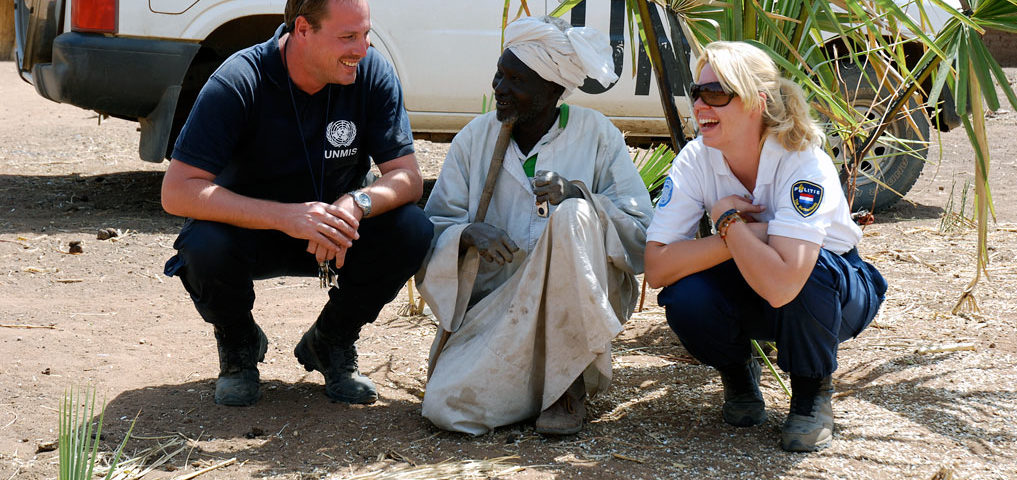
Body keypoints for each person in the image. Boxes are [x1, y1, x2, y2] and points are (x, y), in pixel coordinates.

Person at [160, 0, 432, 407]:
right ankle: (239, 345)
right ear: (302, 29)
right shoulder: (240, 79)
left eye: (365, 34)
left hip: (333, 235)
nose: (362, 48)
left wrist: (356, 203)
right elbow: (177, 190)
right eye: (348, 37)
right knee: (202, 246)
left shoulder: (370, 72)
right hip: (251, 233)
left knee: (413, 229)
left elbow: (408, 178)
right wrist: (286, 217)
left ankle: (332, 341)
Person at [644, 41, 888, 452]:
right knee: (684, 296)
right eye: (697, 92)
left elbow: (783, 284)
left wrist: (727, 220)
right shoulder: (695, 159)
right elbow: (657, 268)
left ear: (757, 102)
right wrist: (739, 231)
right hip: (756, 277)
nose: (702, 104)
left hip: (834, 291)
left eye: (717, 93)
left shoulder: (801, 160)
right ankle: (738, 374)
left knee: (806, 271)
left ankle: (812, 396)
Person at [417, 16, 653, 436]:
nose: (499, 88)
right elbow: (434, 226)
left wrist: (580, 196)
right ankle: (526, 387)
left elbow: (641, 233)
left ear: (552, 91)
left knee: (574, 215)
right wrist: (467, 235)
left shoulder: (596, 135)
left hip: (575, 310)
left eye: (515, 80)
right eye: (499, 73)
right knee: (446, 409)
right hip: (497, 309)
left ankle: (568, 384)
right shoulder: (475, 138)